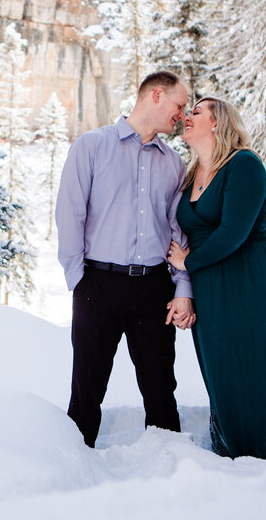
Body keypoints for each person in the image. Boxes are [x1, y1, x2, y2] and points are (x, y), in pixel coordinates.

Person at [56, 71, 196, 448]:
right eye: (180, 105)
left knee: (161, 392)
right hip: (97, 286)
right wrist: (79, 281)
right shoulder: (91, 146)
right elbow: (70, 215)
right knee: (86, 390)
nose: (182, 115)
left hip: (154, 290)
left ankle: (172, 479)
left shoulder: (174, 165)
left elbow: (177, 233)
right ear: (156, 95)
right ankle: (71, 476)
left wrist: (182, 287)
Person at [167, 96, 266, 460]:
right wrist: (186, 280)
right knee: (222, 367)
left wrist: (189, 262)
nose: (187, 116)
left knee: (256, 366)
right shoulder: (191, 171)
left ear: (217, 123)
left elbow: (233, 233)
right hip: (211, 285)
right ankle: (231, 450)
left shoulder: (243, 165)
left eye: (196, 111)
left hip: (252, 281)